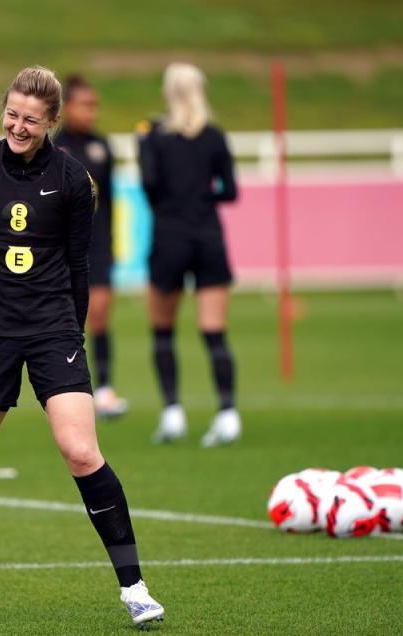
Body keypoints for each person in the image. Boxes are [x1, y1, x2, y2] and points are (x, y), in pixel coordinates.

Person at [0, 66, 164, 630]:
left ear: (52, 123)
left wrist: (73, 337)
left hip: (51, 332)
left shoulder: (72, 180)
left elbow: (78, 266)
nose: (18, 126)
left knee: (81, 451)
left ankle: (136, 588)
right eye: (12, 115)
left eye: (31, 120)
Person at [136, 62, 241, 447]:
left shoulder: (152, 135)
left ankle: (173, 412)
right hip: (209, 235)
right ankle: (228, 414)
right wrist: (202, 196)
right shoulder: (214, 136)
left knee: (163, 330)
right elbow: (230, 191)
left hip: (170, 235)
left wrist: (173, 202)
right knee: (214, 332)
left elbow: (148, 183)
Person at [56, 74, 128, 419]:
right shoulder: (54, 147)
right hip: (62, 246)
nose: (90, 112)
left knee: (99, 315)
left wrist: (113, 244)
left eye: (94, 105)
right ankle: (68, 388)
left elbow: (111, 201)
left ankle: (105, 388)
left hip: (98, 245)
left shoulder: (103, 147)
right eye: (84, 105)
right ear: (66, 107)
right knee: (69, 320)